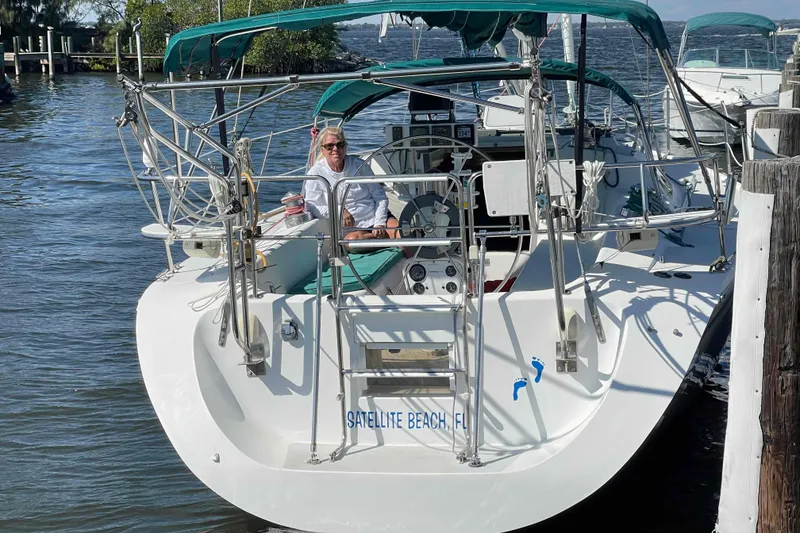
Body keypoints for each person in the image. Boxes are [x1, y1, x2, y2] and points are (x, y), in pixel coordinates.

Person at [303, 126, 400, 241]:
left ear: (345, 147)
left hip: (376, 217)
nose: (335, 149)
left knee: (401, 234)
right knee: (351, 241)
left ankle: (386, 237)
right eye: (330, 146)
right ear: (322, 149)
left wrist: (379, 223)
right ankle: (387, 238)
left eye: (340, 145)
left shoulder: (360, 165)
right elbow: (313, 207)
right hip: (350, 229)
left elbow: (380, 196)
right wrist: (340, 211)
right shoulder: (315, 173)